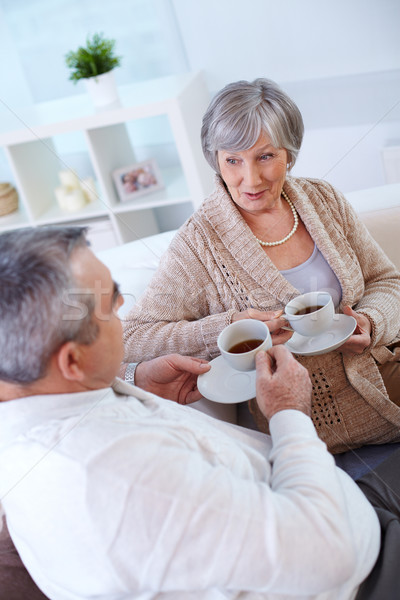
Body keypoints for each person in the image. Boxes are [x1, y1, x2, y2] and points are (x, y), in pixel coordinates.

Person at [0, 225, 397, 600]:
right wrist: (289, 413)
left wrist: (136, 382)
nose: (124, 305)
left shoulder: (41, 398)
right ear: (72, 361)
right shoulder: (112, 475)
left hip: (334, 498)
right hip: (363, 575)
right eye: (111, 303)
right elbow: (328, 553)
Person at [123, 78, 400, 454]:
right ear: (215, 159)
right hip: (313, 431)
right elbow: (132, 337)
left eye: (265, 156)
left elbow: (387, 280)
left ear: (290, 152)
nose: (250, 179)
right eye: (232, 160)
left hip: (386, 377)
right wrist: (225, 328)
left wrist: (370, 321)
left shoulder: (323, 199)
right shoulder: (199, 242)